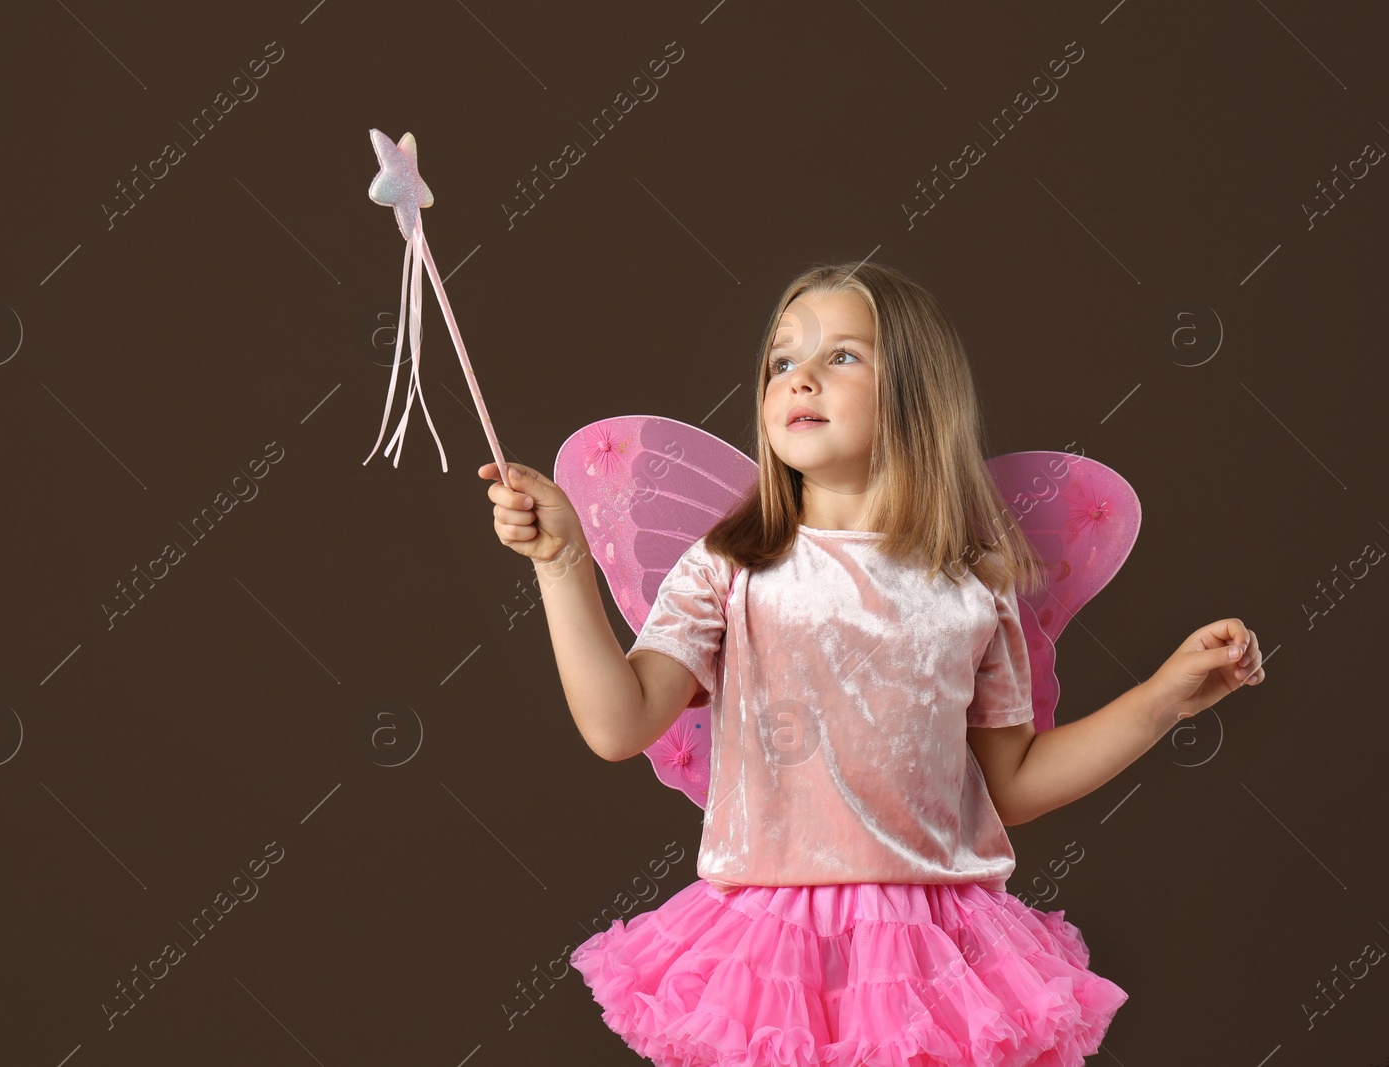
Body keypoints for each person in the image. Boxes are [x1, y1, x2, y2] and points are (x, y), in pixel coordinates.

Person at [477, 260, 1266, 1066]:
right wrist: (562, 561)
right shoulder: (730, 566)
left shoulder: (973, 583)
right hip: (771, 954)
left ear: (917, 397)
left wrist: (1165, 698)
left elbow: (1016, 783)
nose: (801, 378)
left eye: (841, 356)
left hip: (939, 953)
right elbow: (620, 723)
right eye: (782, 361)